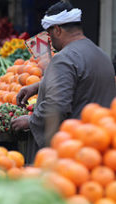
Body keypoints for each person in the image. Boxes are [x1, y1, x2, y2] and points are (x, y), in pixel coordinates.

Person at [11, 1, 116, 163]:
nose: (49, 40)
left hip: (71, 151)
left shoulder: (64, 58)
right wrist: (39, 86)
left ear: (58, 30)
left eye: (50, 33)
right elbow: (83, 78)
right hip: (99, 147)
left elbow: (57, 106)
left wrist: (30, 121)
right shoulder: (101, 54)